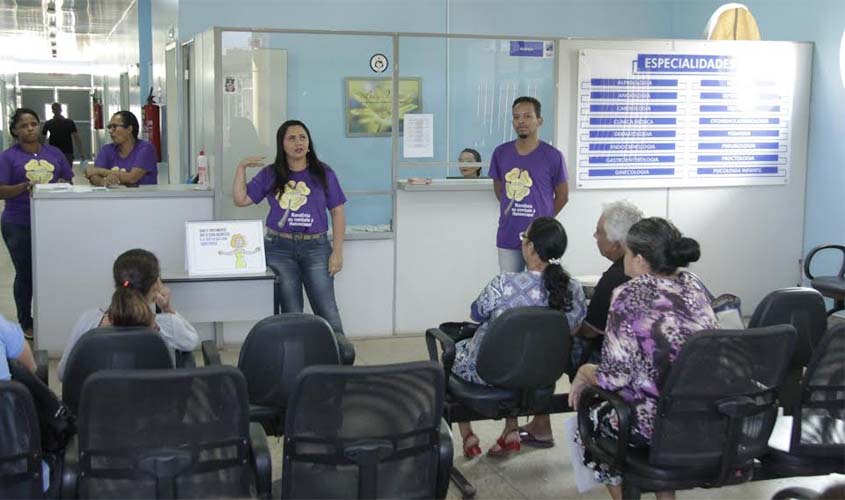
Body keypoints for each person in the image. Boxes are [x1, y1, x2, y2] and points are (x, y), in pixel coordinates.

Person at [568, 217, 718, 500]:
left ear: (638, 259)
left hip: (656, 424)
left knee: (589, 419)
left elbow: (614, 378)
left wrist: (585, 372)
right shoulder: (694, 287)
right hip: (704, 417)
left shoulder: (628, 295)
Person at [451, 217, 585, 458]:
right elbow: (573, 328)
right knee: (520, 357)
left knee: (452, 355)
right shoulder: (572, 288)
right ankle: (511, 430)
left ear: (531, 247)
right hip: (542, 374)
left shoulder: (503, 284)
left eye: (524, 237)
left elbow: (476, 312)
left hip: (491, 372)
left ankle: (467, 435)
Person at [232, 119, 346, 334]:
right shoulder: (271, 173)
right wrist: (241, 168)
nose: (298, 142)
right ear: (282, 144)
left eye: (302, 137)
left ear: (309, 143)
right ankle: (297, 363)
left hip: (316, 249)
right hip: (279, 250)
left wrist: (337, 252)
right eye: (291, 138)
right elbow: (241, 199)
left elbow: (338, 212)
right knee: (292, 313)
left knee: (327, 310)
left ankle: (340, 361)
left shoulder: (323, 173)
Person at [57, 249, 198, 381]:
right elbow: (191, 341)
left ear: (116, 284)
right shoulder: (167, 326)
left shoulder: (88, 321)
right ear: (155, 285)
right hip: (154, 406)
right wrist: (167, 308)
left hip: (97, 406)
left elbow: (64, 374)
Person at [0, 108, 74, 340]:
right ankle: (26, 320)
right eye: (24, 125)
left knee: (52, 270)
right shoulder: (7, 157)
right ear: (15, 130)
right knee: (26, 273)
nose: (30, 128)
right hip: (18, 222)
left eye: (34, 123)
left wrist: (62, 182)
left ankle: (52, 315)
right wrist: (23, 187)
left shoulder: (54, 153)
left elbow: (68, 178)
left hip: (51, 222)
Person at [489, 96, 569, 273]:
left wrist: (543, 221)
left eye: (527, 116)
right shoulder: (501, 153)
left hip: (541, 239)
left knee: (543, 291)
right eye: (516, 117)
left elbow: (562, 196)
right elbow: (499, 189)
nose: (521, 121)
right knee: (510, 292)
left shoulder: (553, 156)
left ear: (539, 120)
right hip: (509, 235)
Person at [569, 201, 644, 372]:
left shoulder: (615, 279)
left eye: (599, 232)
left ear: (616, 244)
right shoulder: (654, 267)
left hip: (618, 366)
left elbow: (590, 331)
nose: (595, 236)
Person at [85, 111, 157, 186]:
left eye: (114, 127)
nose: (110, 131)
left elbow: (132, 178)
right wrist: (104, 182)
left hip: (142, 197)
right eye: (109, 127)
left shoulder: (145, 148)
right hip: (114, 197)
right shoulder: (106, 150)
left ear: (129, 129)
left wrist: (99, 170)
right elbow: (93, 176)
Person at [41, 102, 84, 167]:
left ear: (52, 111)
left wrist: (40, 152)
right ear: (61, 110)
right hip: (67, 152)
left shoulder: (49, 123)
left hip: (53, 152)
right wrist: (81, 152)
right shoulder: (69, 122)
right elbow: (76, 138)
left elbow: (42, 139)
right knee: (67, 174)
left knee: (55, 173)